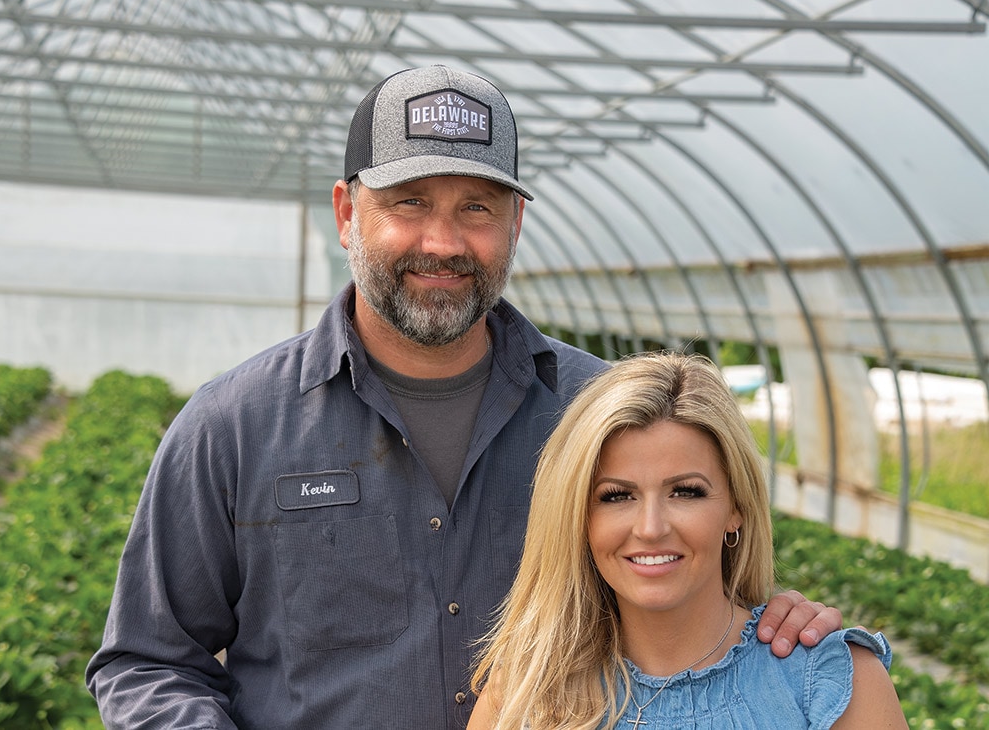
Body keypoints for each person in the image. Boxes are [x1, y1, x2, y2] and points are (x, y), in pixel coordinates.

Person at [86, 66, 843, 729]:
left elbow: (689, 577)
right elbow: (149, 660)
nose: (443, 243)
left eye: (477, 208)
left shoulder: (600, 413)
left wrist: (777, 621)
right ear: (348, 213)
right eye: (409, 202)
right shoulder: (234, 427)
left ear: (515, 223)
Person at [468, 352, 905, 730]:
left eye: (686, 492)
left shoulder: (831, 686)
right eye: (617, 496)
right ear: (579, 519)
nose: (651, 527)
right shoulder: (522, 697)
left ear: (737, 506)